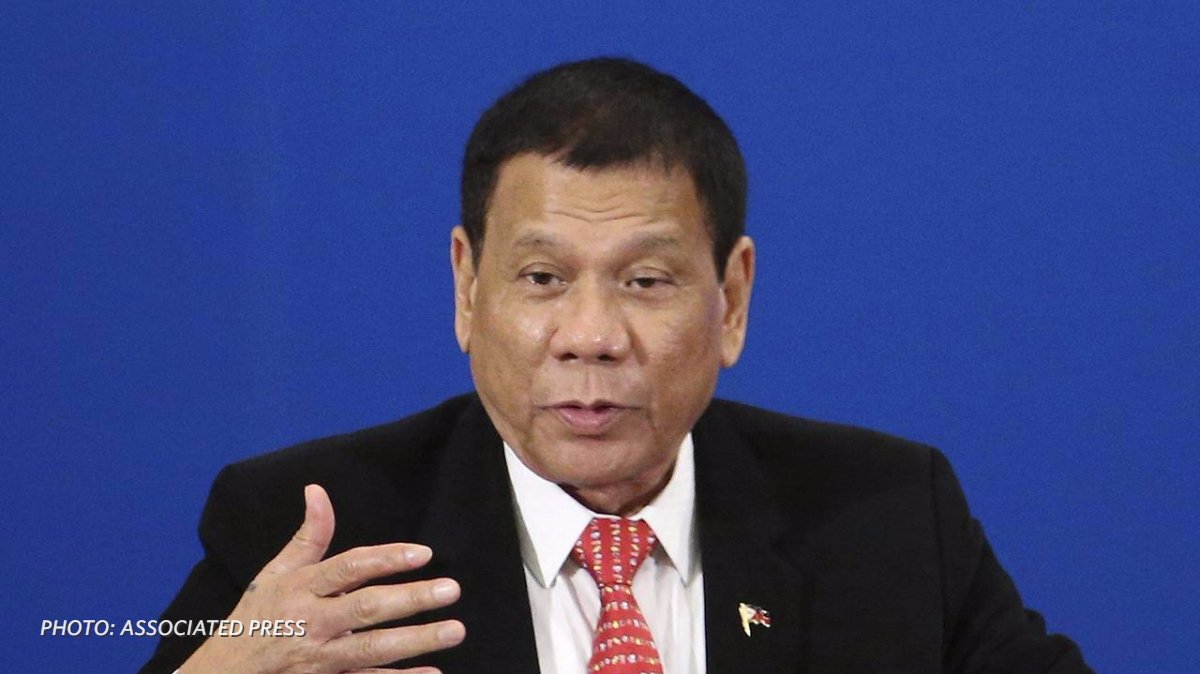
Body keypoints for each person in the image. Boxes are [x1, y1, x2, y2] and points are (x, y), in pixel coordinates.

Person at [141, 57, 1092, 674]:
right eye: (542, 277)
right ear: (468, 288)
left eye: (645, 280)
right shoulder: (313, 535)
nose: (590, 335)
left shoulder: (887, 520)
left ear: (733, 299)